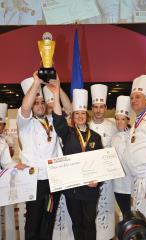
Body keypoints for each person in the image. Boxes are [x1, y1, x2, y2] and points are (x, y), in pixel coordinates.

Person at [49, 79, 103, 240]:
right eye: (77, 113)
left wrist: (97, 181)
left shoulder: (95, 137)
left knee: (89, 223)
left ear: (87, 115)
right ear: (73, 116)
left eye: (82, 113)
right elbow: (58, 120)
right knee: (77, 223)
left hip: (90, 188)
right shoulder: (68, 133)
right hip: (73, 189)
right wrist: (56, 93)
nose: (80, 116)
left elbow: (100, 162)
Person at [17, 72, 63, 240]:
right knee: (32, 224)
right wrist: (36, 83)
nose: (40, 105)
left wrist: (57, 91)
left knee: (48, 222)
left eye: (42, 101)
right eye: (36, 102)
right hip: (34, 182)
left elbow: (64, 113)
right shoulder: (24, 123)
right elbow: (25, 108)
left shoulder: (51, 120)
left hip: (52, 182)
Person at [125, 74, 146, 223]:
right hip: (138, 182)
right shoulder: (135, 123)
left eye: (138, 97)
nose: (133, 101)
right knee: (142, 222)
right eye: (132, 97)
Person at [90, 84, 116, 240]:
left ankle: (107, 236)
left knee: (106, 208)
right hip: (91, 178)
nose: (98, 110)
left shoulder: (112, 126)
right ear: (92, 108)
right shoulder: (86, 126)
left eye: (101, 107)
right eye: (95, 107)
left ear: (105, 107)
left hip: (107, 178)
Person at [111, 95, 132, 217]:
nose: (119, 122)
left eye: (123, 119)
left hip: (131, 183)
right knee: (125, 213)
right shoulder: (114, 137)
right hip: (118, 184)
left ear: (128, 120)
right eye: (117, 119)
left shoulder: (134, 136)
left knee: (134, 213)